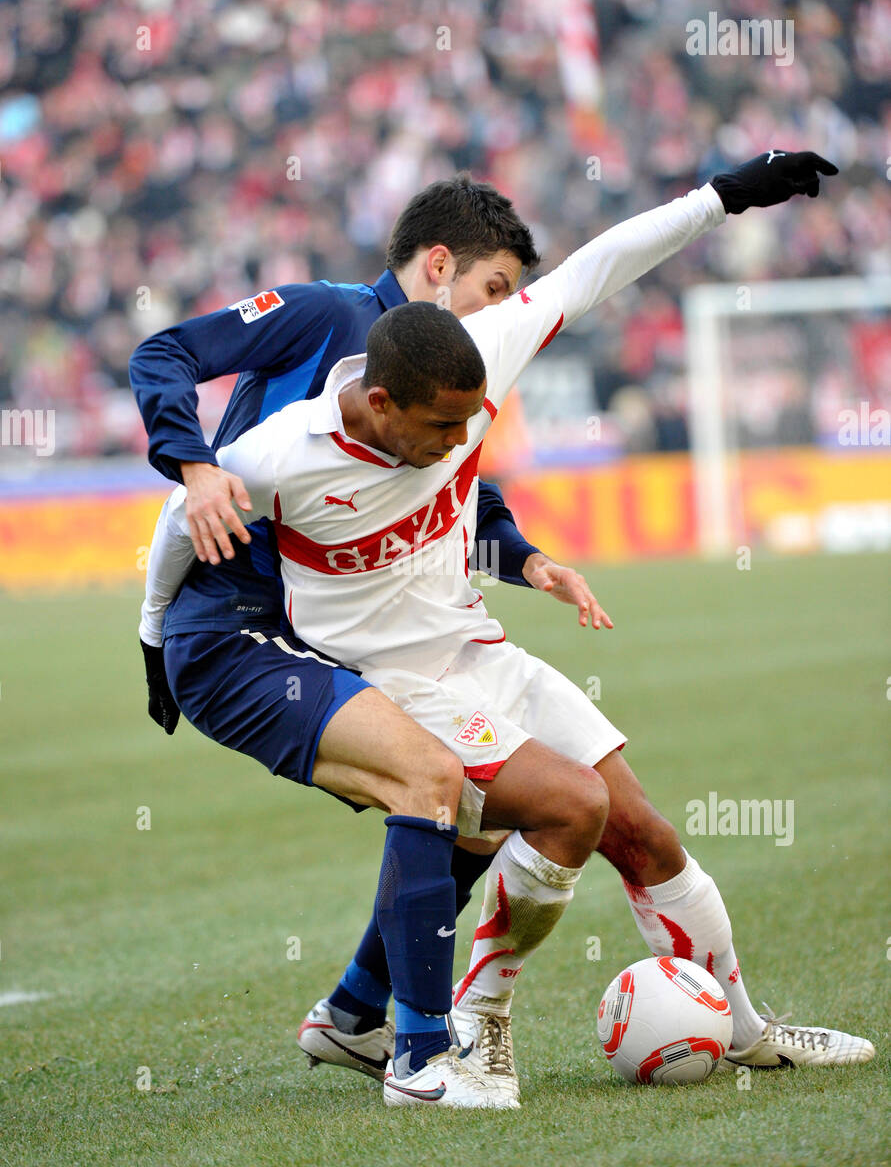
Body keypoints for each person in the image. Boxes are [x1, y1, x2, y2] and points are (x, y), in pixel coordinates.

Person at [141, 152, 873, 1107]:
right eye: (444, 431)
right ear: (379, 403)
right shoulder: (281, 453)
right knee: (561, 807)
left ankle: (743, 1033)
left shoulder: (479, 356)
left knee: (643, 833)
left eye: (469, 426)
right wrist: (158, 636)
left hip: (478, 647)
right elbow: (175, 524)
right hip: (395, 681)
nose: (462, 449)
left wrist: (720, 196)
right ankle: (470, 1025)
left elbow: (600, 264)